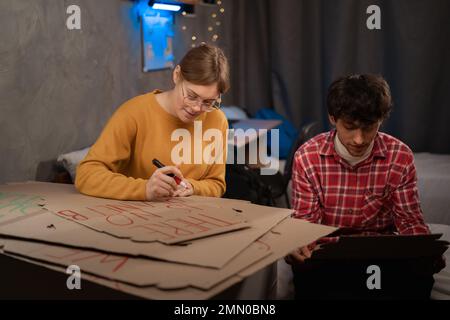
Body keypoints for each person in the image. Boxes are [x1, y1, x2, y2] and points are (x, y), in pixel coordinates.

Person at [287, 74, 441, 299]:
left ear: (381, 120)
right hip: (328, 254)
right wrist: (298, 245)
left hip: (382, 253)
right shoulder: (307, 157)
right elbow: (306, 222)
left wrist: (424, 251)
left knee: (419, 280)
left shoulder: (400, 156)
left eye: (368, 127)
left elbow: (409, 220)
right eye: (349, 127)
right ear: (332, 118)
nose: (359, 139)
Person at [75, 44, 229, 201]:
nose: (197, 108)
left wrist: (193, 187)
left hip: (194, 220)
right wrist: (145, 188)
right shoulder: (134, 113)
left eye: (208, 102)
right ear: (177, 75)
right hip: (135, 219)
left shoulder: (217, 120)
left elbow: (217, 184)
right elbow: (86, 174)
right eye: (191, 96)